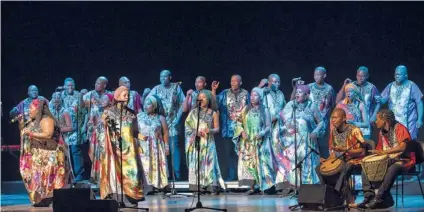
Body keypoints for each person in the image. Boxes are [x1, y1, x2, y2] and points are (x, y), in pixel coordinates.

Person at [352, 109, 415, 209]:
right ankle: (369, 197)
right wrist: (372, 157)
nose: (375, 121)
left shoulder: (400, 128)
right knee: (366, 167)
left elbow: (403, 147)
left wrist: (385, 153)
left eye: (377, 119)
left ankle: (379, 199)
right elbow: (380, 148)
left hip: (404, 160)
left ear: (385, 121)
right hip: (389, 159)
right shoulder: (381, 132)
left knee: (392, 169)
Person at [100, 86, 145, 205]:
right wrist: (104, 123)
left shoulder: (132, 114)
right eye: (125, 95)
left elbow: (135, 131)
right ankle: (117, 198)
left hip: (129, 149)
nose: (127, 98)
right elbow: (102, 131)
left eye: (128, 96)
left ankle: (131, 196)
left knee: (132, 171)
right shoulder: (108, 112)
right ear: (117, 97)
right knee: (115, 173)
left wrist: (142, 138)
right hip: (114, 149)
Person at [275, 84, 324, 190]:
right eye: (296, 92)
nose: (297, 94)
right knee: (293, 163)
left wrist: (316, 130)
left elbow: (321, 122)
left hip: (307, 140)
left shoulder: (312, 106)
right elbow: (284, 120)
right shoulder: (291, 105)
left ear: (306, 95)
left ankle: (308, 186)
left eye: (300, 92)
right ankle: (294, 186)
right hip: (293, 141)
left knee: (307, 163)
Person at [20, 99, 68, 206]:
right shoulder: (34, 121)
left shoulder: (46, 120)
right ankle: (41, 199)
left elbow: (47, 134)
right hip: (39, 156)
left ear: (38, 109)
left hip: (49, 155)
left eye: (31, 108)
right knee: (37, 178)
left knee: (48, 178)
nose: (29, 111)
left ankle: (47, 198)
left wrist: (31, 134)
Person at [315, 108, 366, 204]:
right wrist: (328, 161)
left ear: (344, 118)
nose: (333, 120)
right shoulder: (334, 132)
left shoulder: (354, 130)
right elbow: (335, 152)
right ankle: (329, 196)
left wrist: (345, 150)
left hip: (354, 159)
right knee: (320, 168)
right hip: (340, 159)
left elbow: (362, 151)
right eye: (332, 118)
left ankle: (348, 198)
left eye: (335, 118)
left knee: (344, 168)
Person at [233, 87, 275, 194]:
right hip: (248, 141)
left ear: (260, 97)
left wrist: (262, 133)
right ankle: (252, 187)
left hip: (260, 141)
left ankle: (263, 186)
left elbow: (268, 126)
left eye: (255, 95)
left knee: (261, 163)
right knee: (249, 164)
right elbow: (238, 123)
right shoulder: (246, 109)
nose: (252, 97)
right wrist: (242, 132)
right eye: (251, 95)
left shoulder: (264, 110)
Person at [185, 89, 226, 194]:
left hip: (208, 142)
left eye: (204, 97)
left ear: (209, 99)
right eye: (200, 97)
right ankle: (198, 186)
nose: (201, 99)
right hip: (197, 142)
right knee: (197, 162)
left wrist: (210, 130)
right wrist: (195, 132)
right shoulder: (193, 112)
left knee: (209, 163)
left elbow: (217, 129)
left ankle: (211, 185)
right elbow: (187, 126)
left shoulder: (213, 113)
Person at [147, 70, 185, 180]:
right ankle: (162, 176)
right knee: (160, 148)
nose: (163, 78)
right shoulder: (156, 88)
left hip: (173, 122)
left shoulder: (176, 87)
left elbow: (183, 103)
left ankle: (176, 176)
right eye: (161, 76)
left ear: (170, 77)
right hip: (160, 123)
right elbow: (148, 101)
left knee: (174, 148)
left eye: (165, 76)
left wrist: (177, 119)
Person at [212, 74, 250, 181]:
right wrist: (213, 91)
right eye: (231, 81)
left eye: (235, 81)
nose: (232, 83)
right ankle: (232, 176)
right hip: (228, 130)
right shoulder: (225, 93)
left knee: (241, 154)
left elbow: (250, 109)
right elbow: (215, 104)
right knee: (229, 154)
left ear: (240, 82)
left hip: (242, 130)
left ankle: (242, 177)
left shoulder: (246, 93)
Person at [291, 67, 335, 157]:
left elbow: (332, 105)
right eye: (315, 75)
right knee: (310, 150)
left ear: (324, 75)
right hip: (310, 124)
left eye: (319, 75)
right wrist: (296, 87)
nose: (316, 77)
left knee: (323, 149)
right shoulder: (309, 87)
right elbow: (293, 99)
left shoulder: (329, 89)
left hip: (323, 124)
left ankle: (324, 169)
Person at [377, 65, 423, 140]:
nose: (396, 76)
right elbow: (383, 100)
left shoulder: (412, 86)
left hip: (408, 123)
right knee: (394, 142)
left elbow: (419, 103)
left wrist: (420, 119)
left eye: (399, 74)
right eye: (395, 74)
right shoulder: (391, 86)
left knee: (408, 144)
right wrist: (379, 99)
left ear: (406, 75)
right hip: (393, 122)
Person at [82, 76, 111, 184]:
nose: (96, 85)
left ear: (104, 85)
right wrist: (81, 96)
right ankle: (95, 176)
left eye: (99, 83)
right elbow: (81, 104)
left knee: (104, 153)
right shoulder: (90, 94)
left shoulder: (109, 95)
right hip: (94, 131)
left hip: (105, 131)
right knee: (94, 154)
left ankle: (105, 176)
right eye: (95, 83)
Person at [137, 95, 169, 191]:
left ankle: (157, 184)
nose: (146, 106)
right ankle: (147, 186)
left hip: (156, 146)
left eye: (148, 104)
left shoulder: (160, 118)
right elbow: (134, 131)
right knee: (145, 165)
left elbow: (166, 132)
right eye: (145, 104)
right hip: (143, 145)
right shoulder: (139, 116)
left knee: (155, 164)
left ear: (154, 106)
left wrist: (166, 146)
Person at [258, 74, 286, 172]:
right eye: (274, 82)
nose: (277, 84)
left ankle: (279, 174)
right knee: (266, 151)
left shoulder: (281, 94)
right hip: (266, 126)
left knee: (278, 150)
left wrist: (278, 116)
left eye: (278, 82)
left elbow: (284, 109)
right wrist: (260, 87)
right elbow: (255, 102)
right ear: (269, 82)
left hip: (278, 126)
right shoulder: (264, 92)